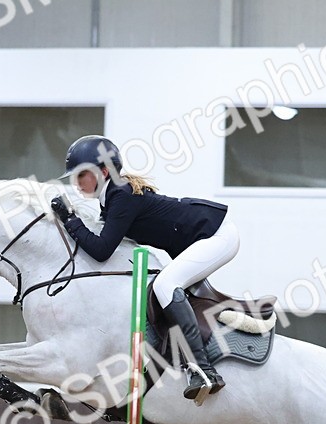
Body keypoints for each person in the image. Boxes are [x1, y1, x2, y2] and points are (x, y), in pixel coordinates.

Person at [50, 135, 238, 401]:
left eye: (82, 175)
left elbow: (102, 250)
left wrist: (69, 219)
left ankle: (203, 370)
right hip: (203, 236)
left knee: (165, 285)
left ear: (103, 172)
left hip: (216, 234)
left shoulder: (121, 195)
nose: (77, 183)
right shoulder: (113, 195)